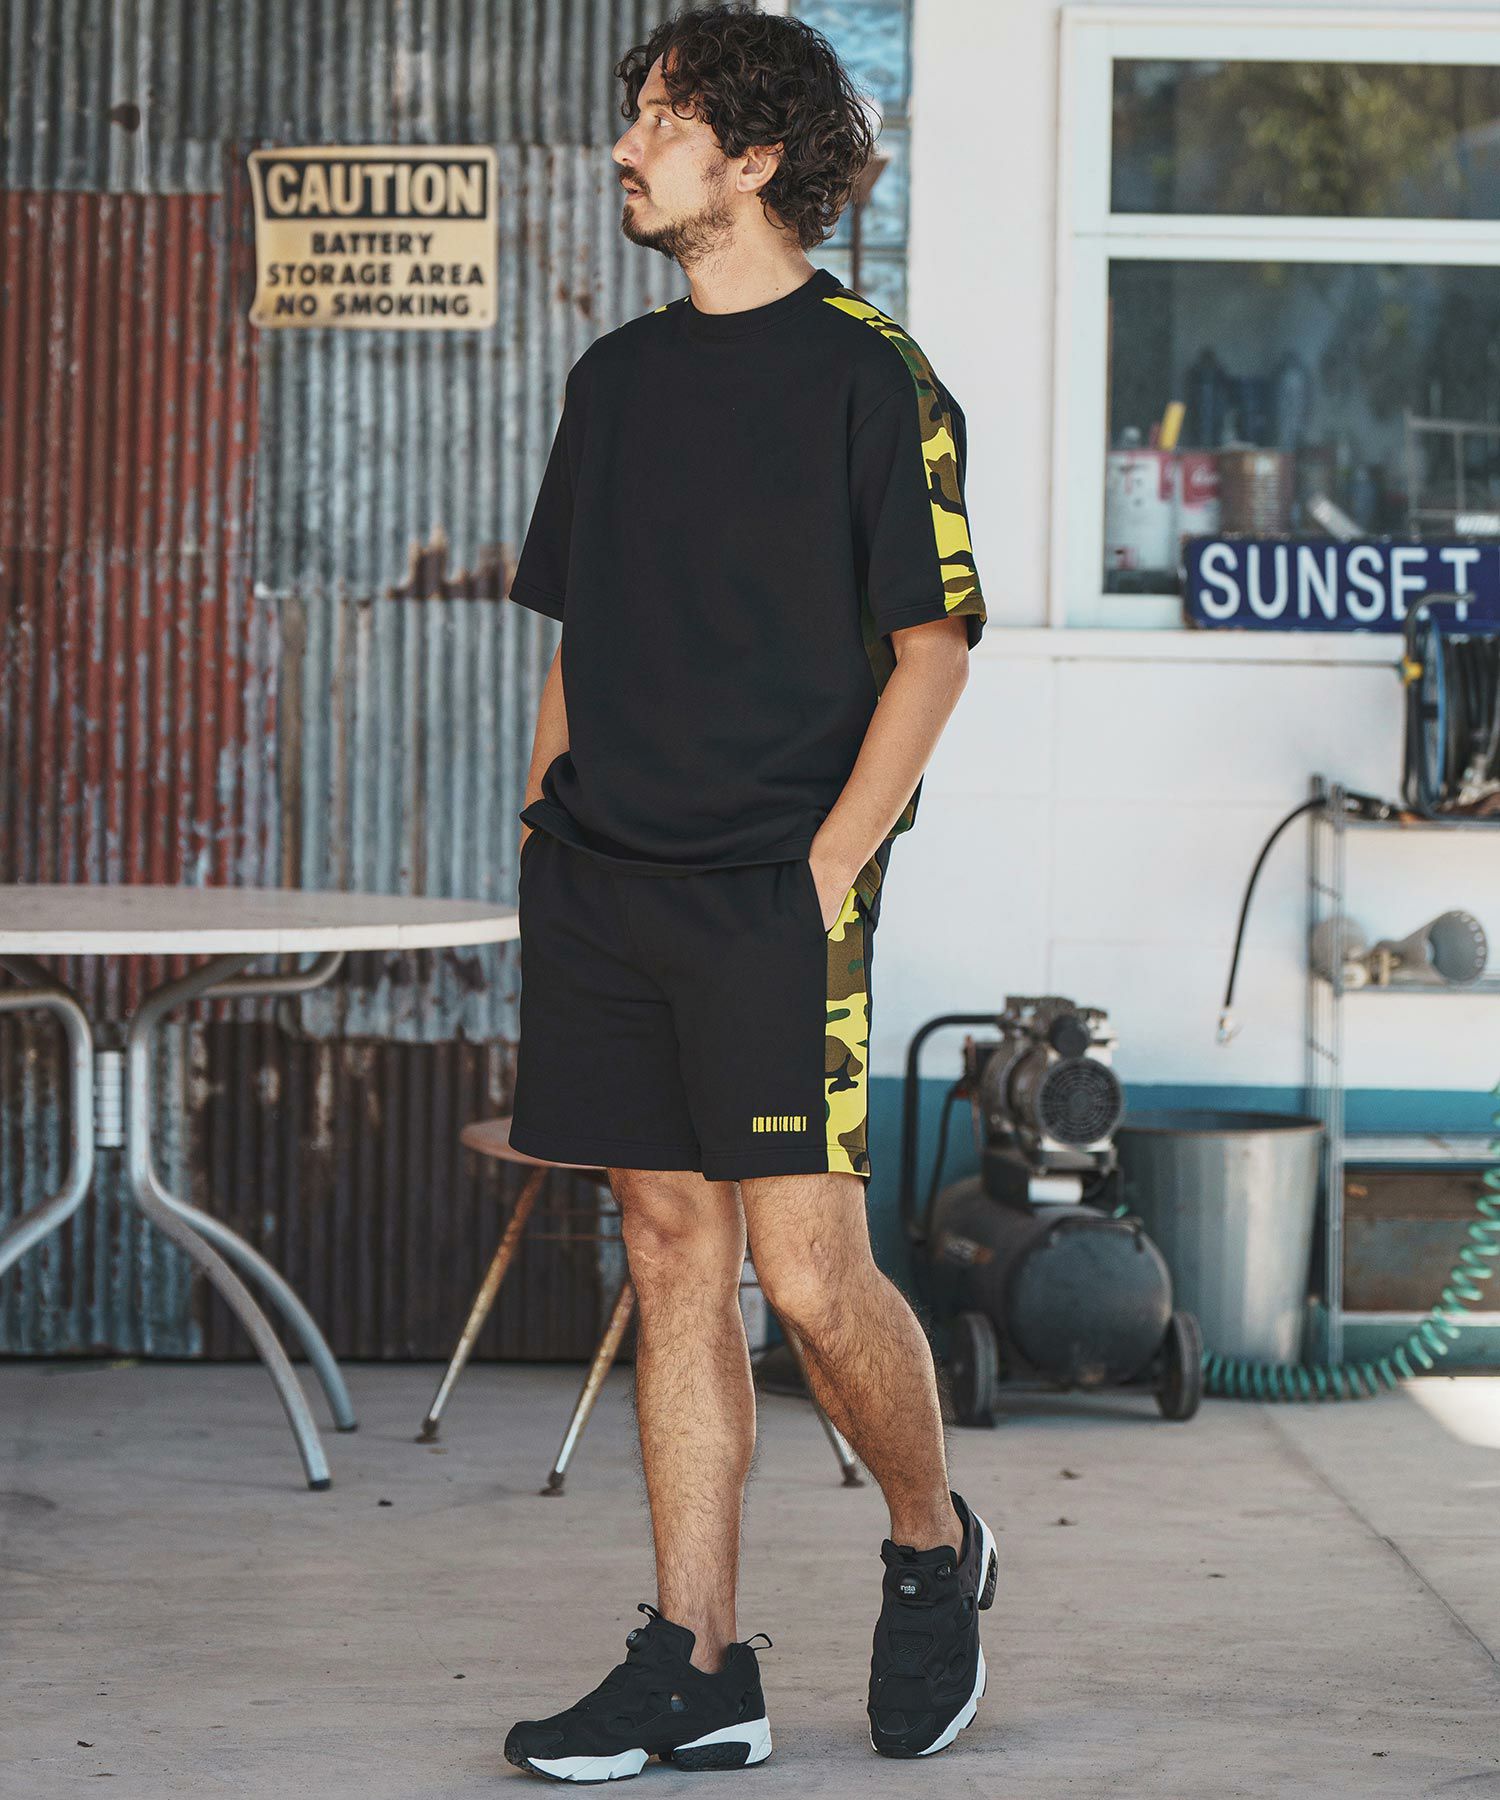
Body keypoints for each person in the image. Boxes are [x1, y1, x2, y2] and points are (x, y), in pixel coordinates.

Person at [502, 4, 993, 1781]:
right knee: (667, 1252)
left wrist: (828, 869)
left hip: (778, 891)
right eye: (635, 116)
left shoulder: (875, 378)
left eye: (661, 119)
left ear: (757, 157)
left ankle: (930, 1547)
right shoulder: (615, 381)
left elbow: (934, 652)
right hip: (607, 881)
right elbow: (579, 627)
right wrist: (545, 818)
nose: (625, 147)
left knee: (806, 1268)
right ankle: (697, 1664)